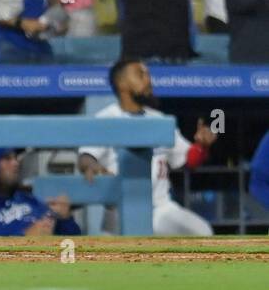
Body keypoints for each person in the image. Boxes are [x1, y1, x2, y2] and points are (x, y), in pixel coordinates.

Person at [78, 58, 216, 235]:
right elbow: (85, 157)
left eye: (148, 74)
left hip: (160, 209)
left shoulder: (159, 119)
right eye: (140, 74)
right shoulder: (105, 119)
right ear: (122, 84)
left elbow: (186, 160)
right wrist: (93, 166)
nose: (148, 79)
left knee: (203, 233)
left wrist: (201, 146)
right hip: (120, 210)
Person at [0, 148, 81, 237]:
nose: (15, 163)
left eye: (15, 157)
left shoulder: (32, 200)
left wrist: (65, 219)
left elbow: (72, 251)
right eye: (7, 158)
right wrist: (25, 238)